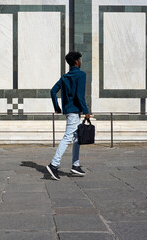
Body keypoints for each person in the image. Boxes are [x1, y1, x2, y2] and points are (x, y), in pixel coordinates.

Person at [46, 51, 90, 180]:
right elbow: (79, 96)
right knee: (68, 137)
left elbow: (53, 91)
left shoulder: (65, 77)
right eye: (80, 60)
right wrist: (86, 111)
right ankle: (54, 164)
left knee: (77, 138)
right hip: (75, 111)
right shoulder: (81, 75)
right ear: (76, 61)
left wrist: (57, 107)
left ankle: (75, 165)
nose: (81, 62)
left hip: (69, 110)